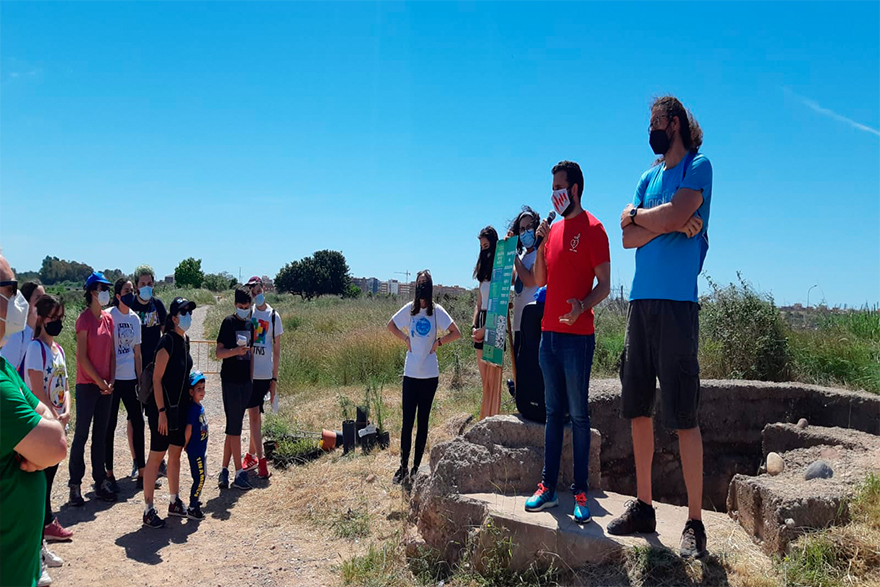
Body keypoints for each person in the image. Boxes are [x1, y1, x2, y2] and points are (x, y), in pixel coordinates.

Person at [611, 96, 713, 559]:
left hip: (677, 306)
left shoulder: (699, 166)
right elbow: (627, 236)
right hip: (641, 303)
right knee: (638, 408)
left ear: (674, 123)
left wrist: (647, 219)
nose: (649, 129)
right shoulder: (647, 177)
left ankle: (694, 522)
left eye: (654, 122)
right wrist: (667, 222)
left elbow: (661, 218)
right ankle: (645, 506)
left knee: (684, 415)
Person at [524, 160, 611, 524]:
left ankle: (580, 493)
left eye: (559, 187)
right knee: (552, 413)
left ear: (575, 189)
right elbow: (539, 280)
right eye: (552, 189)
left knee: (578, 415)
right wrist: (542, 241)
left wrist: (582, 306)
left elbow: (604, 286)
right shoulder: (554, 230)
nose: (554, 195)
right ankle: (547, 488)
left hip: (578, 339)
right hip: (549, 336)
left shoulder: (594, 229)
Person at [0, 256, 68, 587]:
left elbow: (46, 423)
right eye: (11, 290)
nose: (19, 302)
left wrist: (40, 444)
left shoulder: (4, 369)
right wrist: (41, 448)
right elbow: (55, 445)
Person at [387, 270, 461, 485]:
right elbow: (390, 325)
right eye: (419, 282)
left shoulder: (436, 311)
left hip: (429, 375)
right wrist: (405, 339)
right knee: (407, 422)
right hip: (410, 374)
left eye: (425, 283)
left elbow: (456, 332)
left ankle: (416, 468)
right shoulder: (410, 310)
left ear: (430, 286)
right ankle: (403, 467)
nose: (421, 286)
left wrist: (439, 343)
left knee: (423, 422)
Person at [24, 295, 75, 561]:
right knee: (38, 484)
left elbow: (64, 385)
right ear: (42, 319)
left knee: (48, 480)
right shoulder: (35, 349)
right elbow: (36, 390)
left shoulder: (59, 350)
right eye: (53, 318)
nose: (57, 322)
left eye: (60, 318)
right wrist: (55, 418)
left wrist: (67, 411)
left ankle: (45, 531)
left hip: (56, 422)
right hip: (42, 425)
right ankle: (38, 544)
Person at [142, 297, 196, 529]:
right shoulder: (167, 342)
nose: (188, 316)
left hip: (180, 409)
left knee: (175, 454)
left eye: (189, 312)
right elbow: (156, 379)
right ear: (174, 318)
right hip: (163, 410)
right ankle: (148, 509)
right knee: (156, 456)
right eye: (183, 312)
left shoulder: (185, 341)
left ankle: (174, 501)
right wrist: (161, 411)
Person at [69, 272, 118, 506]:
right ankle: (75, 485)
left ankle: (100, 481)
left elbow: (112, 353)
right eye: (102, 288)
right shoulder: (84, 320)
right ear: (92, 292)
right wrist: (99, 382)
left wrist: (111, 381)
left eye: (107, 288)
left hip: (106, 388)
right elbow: (82, 358)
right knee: (82, 434)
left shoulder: (108, 319)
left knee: (100, 435)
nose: (106, 292)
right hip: (87, 386)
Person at [105, 278, 146, 492]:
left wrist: (140, 380)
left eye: (132, 290)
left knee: (138, 423)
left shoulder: (135, 319)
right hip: (113, 379)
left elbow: (137, 353)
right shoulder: (109, 315)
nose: (131, 293)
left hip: (130, 378)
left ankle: (142, 471)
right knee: (109, 426)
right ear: (118, 295)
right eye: (127, 290)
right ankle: (109, 473)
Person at [127, 264, 167, 480]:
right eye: (142, 284)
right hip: (133, 370)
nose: (146, 287)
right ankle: (137, 461)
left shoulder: (158, 306)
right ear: (136, 286)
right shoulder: (129, 306)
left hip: (155, 371)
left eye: (149, 283)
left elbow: (166, 333)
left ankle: (157, 460)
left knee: (155, 416)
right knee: (134, 418)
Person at [243, 276, 283, 480]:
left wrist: (274, 380)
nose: (255, 294)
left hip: (265, 374)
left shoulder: (274, 316)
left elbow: (276, 351)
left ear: (264, 289)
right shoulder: (248, 313)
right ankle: (253, 456)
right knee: (254, 417)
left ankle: (259, 460)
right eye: (252, 292)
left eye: (258, 290)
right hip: (249, 373)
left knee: (255, 417)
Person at [216, 286, 255, 491]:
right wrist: (235, 351)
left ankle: (224, 470)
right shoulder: (228, 322)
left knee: (233, 428)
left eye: (247, 307)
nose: (244, 310)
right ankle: (239, 472)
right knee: (235, 428)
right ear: (235, 305)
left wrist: (251, 380)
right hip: (230, 380)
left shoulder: (250, 324)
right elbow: (219, 353)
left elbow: (252, 355)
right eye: (241, 306)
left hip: (245, 382)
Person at [471, 226, 504, 420]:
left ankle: (494, 418)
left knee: (494, 380)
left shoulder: (501, 273)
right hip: (482, 321)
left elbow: (498, 305)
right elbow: (479, 303)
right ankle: (485, 419)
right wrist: (474, 326)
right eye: (481, 247)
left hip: (495, 323)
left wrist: (485, 329)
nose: (484, 250)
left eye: (486, 246)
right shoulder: (482, 274)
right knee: (485, 381)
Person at [509, 207, 541, 374]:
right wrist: (507, 251)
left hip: (532, 326)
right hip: (518, 325)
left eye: (529, 227)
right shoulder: (522, 257)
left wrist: (514, 256)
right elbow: (512, 279)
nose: (525, 232)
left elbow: (529, 280)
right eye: (521, 229)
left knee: (530, 374)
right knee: (519, 372)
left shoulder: (538, 254)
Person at [0, 280, 45, 372]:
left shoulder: (42, 333)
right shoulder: (16, 334)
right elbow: (8, 369)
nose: (43, 303)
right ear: (27, 302)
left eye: (44, 298)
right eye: (38, 298)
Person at [184, 371, 209, 520]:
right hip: (195, 450)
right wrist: (186, 444)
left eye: (203, 388)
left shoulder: (199, 406)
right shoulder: (193, 409)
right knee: (199, 478)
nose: (202, 391)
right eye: (198, 389)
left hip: (201, 449)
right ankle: (193, 507)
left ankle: (196, 498)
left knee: (202, 475)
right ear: (191, 392)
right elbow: (189, 429)